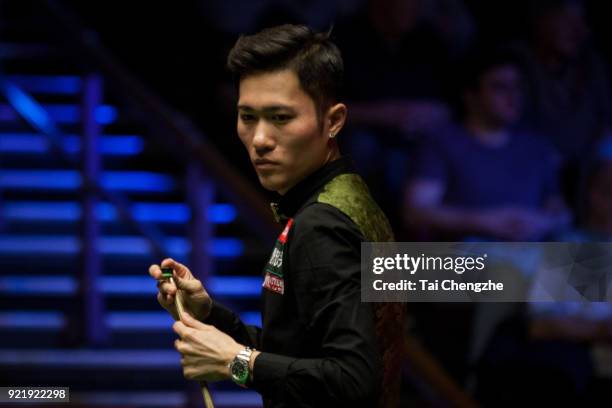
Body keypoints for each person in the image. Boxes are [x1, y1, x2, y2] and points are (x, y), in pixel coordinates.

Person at [148, 24, 405, 407]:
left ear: (333, 121)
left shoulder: (322, 225)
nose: (260, 139)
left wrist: (237, 363)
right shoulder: (347, 196)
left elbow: (355, 380)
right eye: (247, 117)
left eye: (281, 118)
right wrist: (210, 314)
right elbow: (297, 354)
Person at [404, 48, 571, 242]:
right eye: (500, 88)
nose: (513, 96)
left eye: (517, 87)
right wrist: (484, 222)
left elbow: (559, 211)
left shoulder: (536, 147)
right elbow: (415, 212)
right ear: (471, 96)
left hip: (527, 258)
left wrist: (542, 223)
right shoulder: (441, 141)